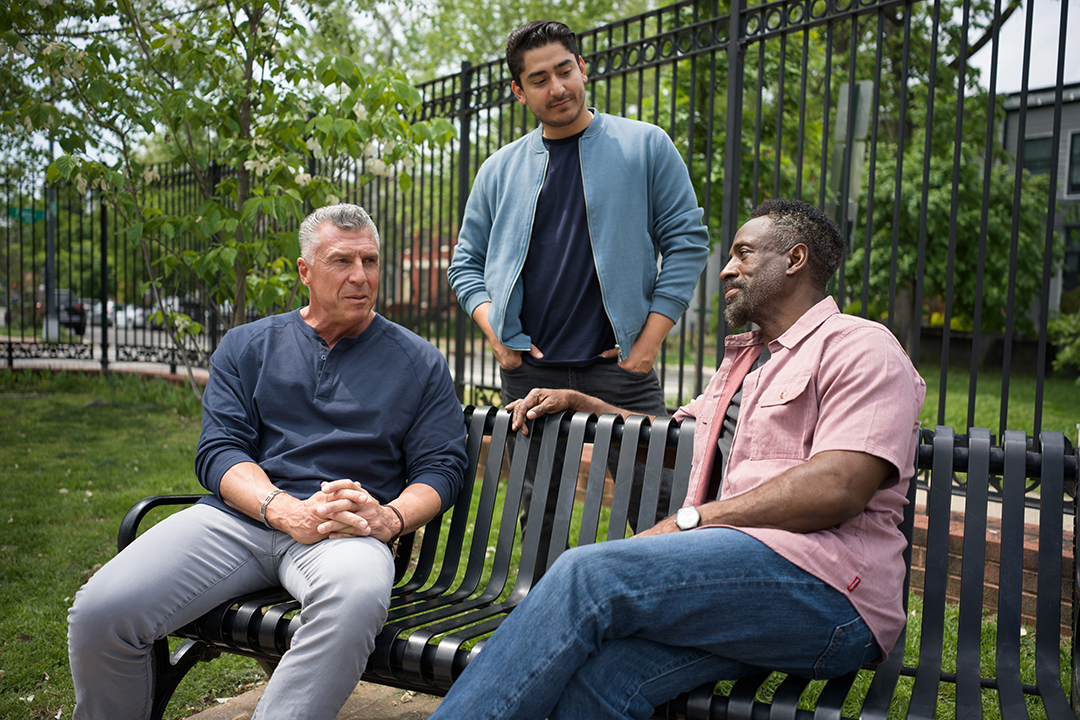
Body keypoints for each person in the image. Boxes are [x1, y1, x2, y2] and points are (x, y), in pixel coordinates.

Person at [429, 198, 927, 720]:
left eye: (743, 254)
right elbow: (672, 439)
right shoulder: (746, 363)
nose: (726, 269)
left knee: (588, 575)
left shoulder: (861, 347)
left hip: (829, 594)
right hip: (742, 586)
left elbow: (839, 486)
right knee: (601, 679)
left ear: (795, 259)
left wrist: (692, 521)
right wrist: (584, 404)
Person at [67, 204, 468, 720]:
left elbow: (442, 468)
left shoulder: (419, 361)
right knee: (100, 612)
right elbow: (220, 450)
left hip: (345, 532)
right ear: (305, 271)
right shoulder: (247, 346)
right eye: (341, 261)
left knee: (355, 598)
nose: (360, 276)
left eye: (369, 261)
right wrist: (282, 509)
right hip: (242, 520)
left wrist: (388, 518)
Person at [447, 20, 710, 543]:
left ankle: (679, 593)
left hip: (620, 368)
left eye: (565, 70)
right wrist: (497, 335)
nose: (558, 87)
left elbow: (687, 243)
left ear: (582, 68)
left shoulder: (646, 145)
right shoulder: (499, 169)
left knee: (662, 505)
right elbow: (465, 264)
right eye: (539, 79)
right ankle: (541, 594)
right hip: (531, 371)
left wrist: (647, 344)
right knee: (539, 515)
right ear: (519, 91)